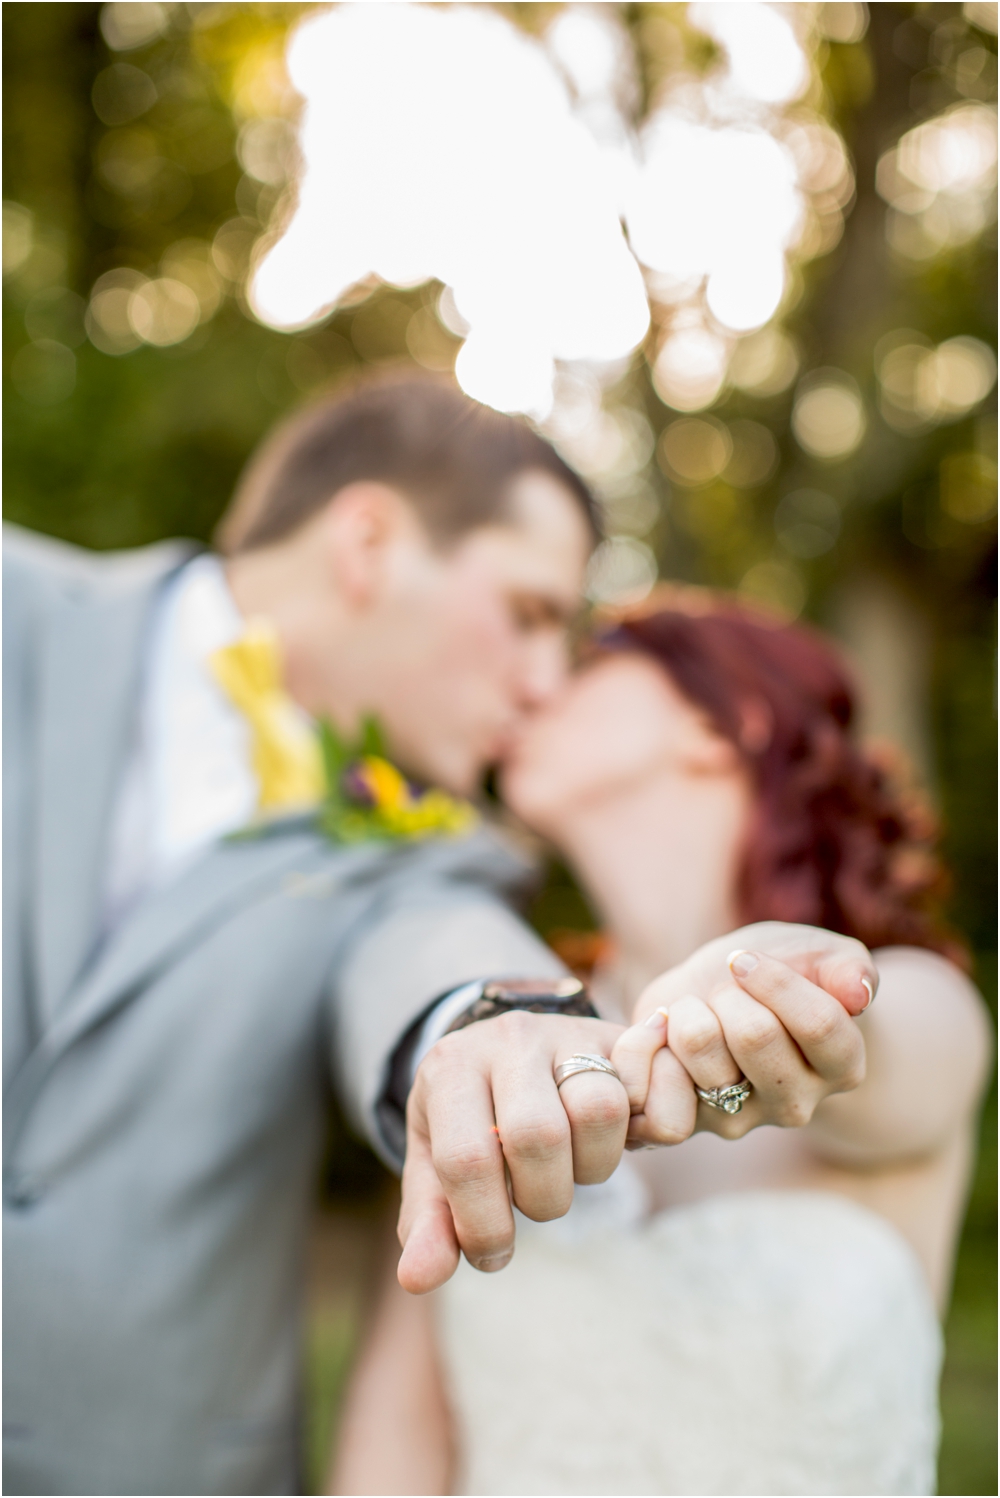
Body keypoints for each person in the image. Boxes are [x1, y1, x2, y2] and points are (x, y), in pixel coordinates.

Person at [2, 378, 874, 1497]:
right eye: (526, 612)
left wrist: (502, 1020)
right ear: (366, 543)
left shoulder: (429, 849)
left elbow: (440, 958)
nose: (546, 679)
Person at [331, 588, 991, 1497]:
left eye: (592, 661)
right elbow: (394, 1449)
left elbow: (879, 1057)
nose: (535, 687)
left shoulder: (915, 998)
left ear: (732, 723)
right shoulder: (488, 1043)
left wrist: (766, 977)